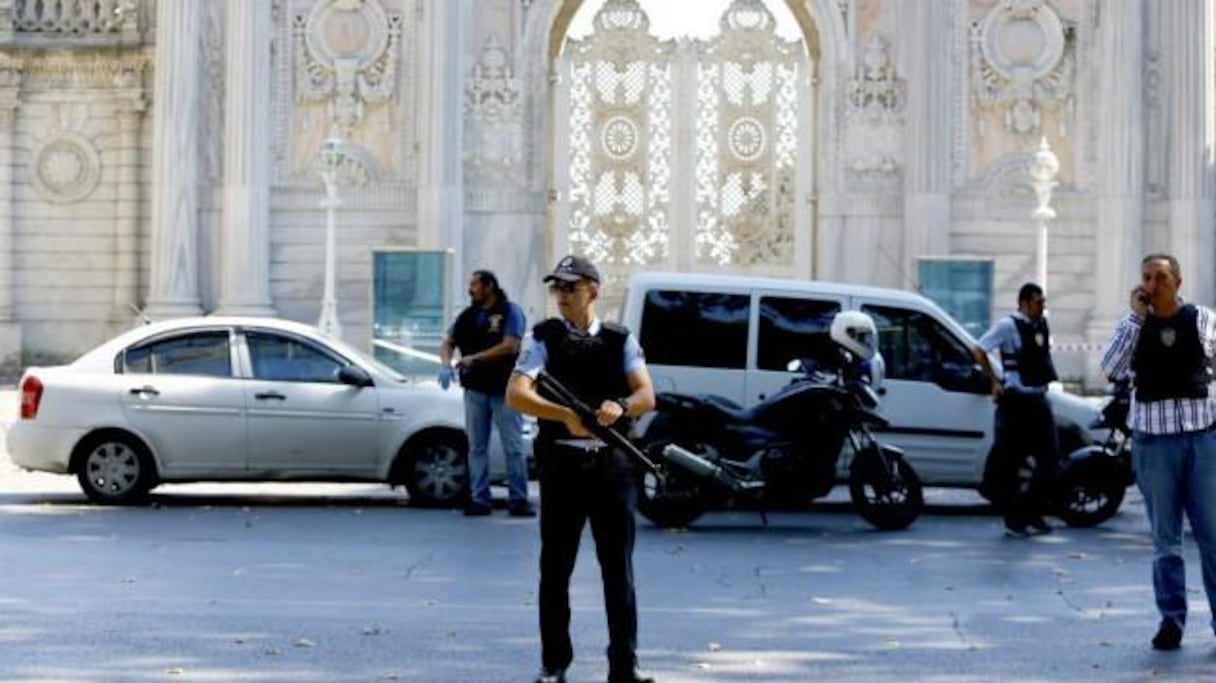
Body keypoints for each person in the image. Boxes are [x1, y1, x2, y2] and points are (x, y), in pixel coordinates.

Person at [506, 255, 656, 683]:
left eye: (571, 288)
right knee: (555, 570)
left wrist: (619, 406)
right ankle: (554, 664)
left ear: (594, 289)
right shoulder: (542, 337)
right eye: (557, 289)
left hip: (611, 466)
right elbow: (516, 394)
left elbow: (646, 394)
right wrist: (564, 416)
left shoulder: (619, 339)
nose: (562, 296)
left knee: (618, 571)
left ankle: (624, 667)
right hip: (563, 465)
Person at [1100, 253, 1216, 651]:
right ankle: (1171, 621)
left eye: (1161, 277)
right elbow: (1111, 369)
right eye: (1147, 277)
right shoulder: (1132, 325)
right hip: (1155, 444)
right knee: (1166, 541)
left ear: (1178, 283)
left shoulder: (1203, 320)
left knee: (1213, 538)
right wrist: (1136, 319)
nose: (1153, 284)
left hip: (1203, 442)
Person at [438, 269, 534, 517]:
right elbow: (448, 340)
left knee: (513, 446)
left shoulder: (510, 311)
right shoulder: (468, 316)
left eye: (475, 285)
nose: (470, 289)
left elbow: (510, 345)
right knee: (476, 447)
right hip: (475, 390)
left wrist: (475, 358)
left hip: (504, 389)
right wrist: (445, 364)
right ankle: (479, 499)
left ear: (489, 286)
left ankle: (519, 499)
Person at [972, 282, 1059, 538]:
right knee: (1011, 462)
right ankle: (1014, 519)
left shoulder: (1040, 324)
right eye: (1037, 301)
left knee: (1050, 457)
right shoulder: (1008, 325)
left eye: (1042, 301)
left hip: (1038, 399)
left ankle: (1033, 511)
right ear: (1023, 303)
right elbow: (979, 349)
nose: (1041, 305)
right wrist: (993, 381)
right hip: (1016, 402)